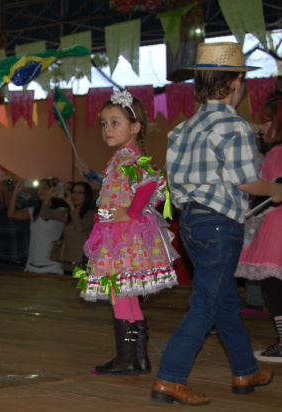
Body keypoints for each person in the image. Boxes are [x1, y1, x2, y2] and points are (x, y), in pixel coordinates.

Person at [152, 42, 280, 405]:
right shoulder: (235, 126)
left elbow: (174, 185)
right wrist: (274, 189)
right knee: (207, 303)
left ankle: (245, 368)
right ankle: (170, 377)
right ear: (238, 81)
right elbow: (247, 182)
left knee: (223, 301)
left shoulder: (181, 130)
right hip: (222, 224)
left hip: (191, 221)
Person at [79, 90, 178, 376]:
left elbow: (149, 185)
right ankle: (138, 358)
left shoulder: (127, 156)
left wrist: (129, 212)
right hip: (124, 234)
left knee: (119, 293)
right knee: (126, 294)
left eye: (115, 122)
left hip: (123, 236)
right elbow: (155, 185)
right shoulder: (127, 155)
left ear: (135, 127)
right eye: (103, 123)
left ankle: (127, 359)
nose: (107, 129)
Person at [235, 87, 282, 362]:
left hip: (276, 225)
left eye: (265, 121)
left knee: (274, 284)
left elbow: (271, 190)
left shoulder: (276, 151)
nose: (260, 127)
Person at [8, 178, 66, 274]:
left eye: (45, 188)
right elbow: (11, 214)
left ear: (53, 190)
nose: (41, 191)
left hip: (52, 266)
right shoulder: (33, 211)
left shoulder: (61, 211)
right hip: (31, 265)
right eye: (39, 188)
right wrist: (16, 191)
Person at [46, 181, 95, 273]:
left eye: (80, 192)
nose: (75, 195)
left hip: (82, 262)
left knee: (79, 287)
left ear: (87, 195)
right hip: (66, 261)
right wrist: (50, 196)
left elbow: (80, 228)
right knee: (66, 287)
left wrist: (71, 206)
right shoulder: (67, 213)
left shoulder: (91, 214)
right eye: (74, 192)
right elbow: (45, 214)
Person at [0, 179, 31, 271]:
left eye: (10, 190)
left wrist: (21, 188)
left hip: (24, 264)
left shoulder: (23, 208)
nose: (6, 194)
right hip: (4, 264)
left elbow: (36, 202)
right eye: (4, 192)